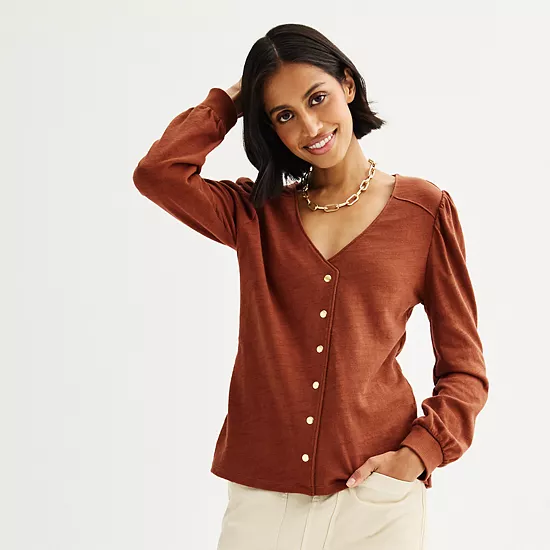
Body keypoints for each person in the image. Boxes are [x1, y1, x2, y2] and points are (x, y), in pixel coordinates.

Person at [133, 23, 489, 550]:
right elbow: (158, 173)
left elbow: (464, 368)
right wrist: (229, 101)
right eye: (284, 115)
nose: (310, 126)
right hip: (263, 499)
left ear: (347, 84)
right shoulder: (256, 215)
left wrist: (419, 455)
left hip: (375, 495)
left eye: (317, 98)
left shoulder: (423, 211)